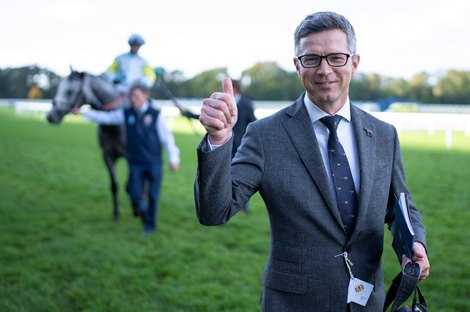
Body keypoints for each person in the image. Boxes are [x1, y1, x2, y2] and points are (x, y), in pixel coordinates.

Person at [194, 11, 429, 311]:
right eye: (312, 59)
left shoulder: (384, 135)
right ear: (297, 65)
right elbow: (214, 211)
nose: (324, 69)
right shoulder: (265, 135)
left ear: (354, 63)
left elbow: (399, 207)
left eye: (336, 58)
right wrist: (218, 140)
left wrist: (414, 245)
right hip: (295, 303)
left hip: (368, 301)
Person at [80, 84, 180, 234]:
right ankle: (142, 208)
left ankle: (149, 226)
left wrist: (174, 158)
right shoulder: (126, 113)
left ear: (145, 96)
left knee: (153, 195)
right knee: (132, 191)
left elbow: (167, 138)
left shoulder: (155, 114)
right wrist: (84, 113)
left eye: (136, 96)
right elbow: (107, 117)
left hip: (154, 163)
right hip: (135, 162)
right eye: (131, 96)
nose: (133, 100)